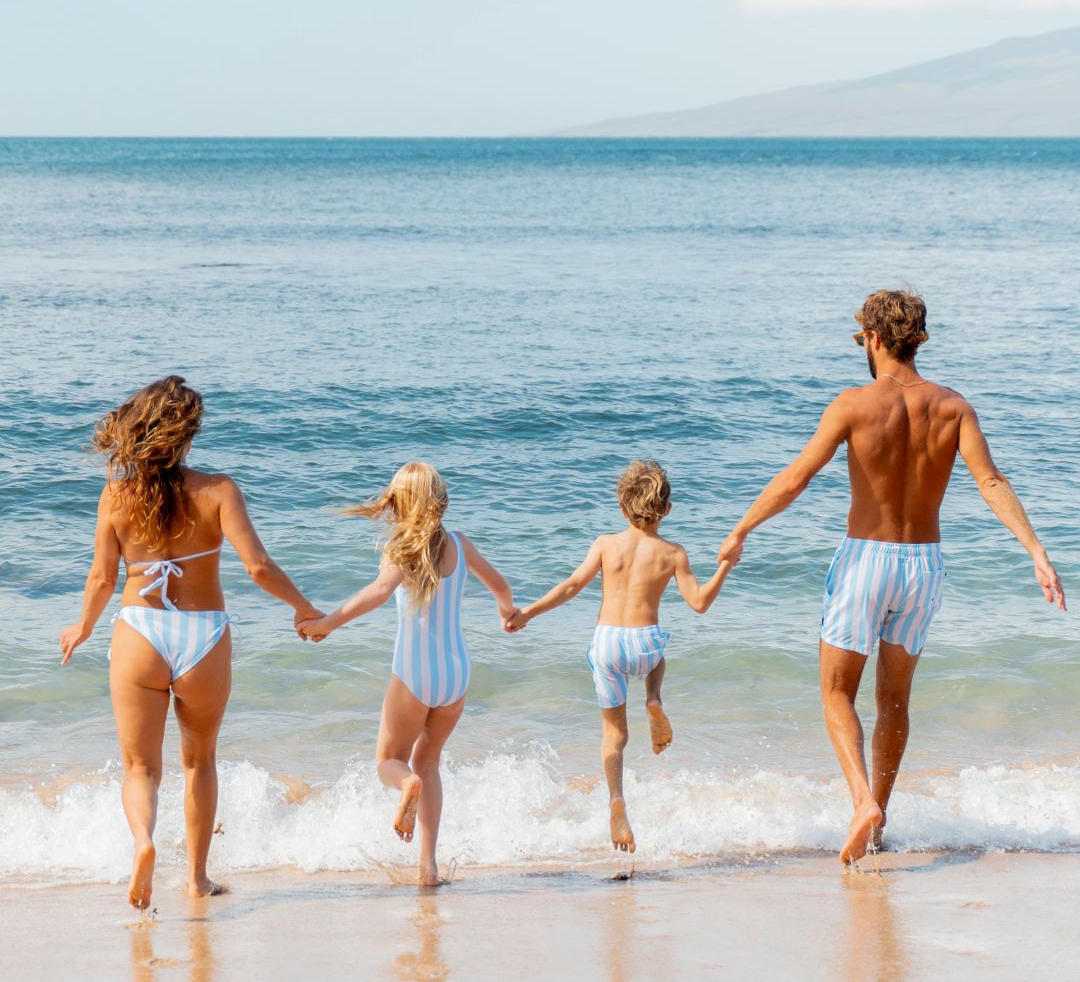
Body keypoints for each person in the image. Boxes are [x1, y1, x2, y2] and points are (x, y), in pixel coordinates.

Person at [718, 290, 1066, 865]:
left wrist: (741, 529)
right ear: (917, 340)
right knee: (895, 701)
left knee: (836, 692)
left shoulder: (853, 404)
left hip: (866, 561)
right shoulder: (953, 407)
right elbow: (992, 483)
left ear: (873, 340)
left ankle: (862, 804)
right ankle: (877, 823)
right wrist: (1036, 551)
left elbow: (795, 479)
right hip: (923, 566)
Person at [60, 376, 321, 909]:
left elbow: (103, 580)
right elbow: (258, 567)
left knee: (140, 768)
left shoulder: (116, 494)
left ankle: (144, 843)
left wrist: (81, 626)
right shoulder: (219, 490)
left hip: (139, 631)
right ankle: (197, 879)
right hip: (203, 636)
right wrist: (304, 608)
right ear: (187, 433)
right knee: (199, 762)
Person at [298, 462, 518, 887]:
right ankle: (428, 867)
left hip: (415, 672)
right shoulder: (460, 544)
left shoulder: (402, 548)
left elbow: (376, 594)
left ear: (400, 502)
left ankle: (406, 786)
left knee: (390, 761)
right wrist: (506, 612)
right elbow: (502, 587)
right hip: (456, 674)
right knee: (430, 761)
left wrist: (327, 622)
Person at [507, 460, 736, 854]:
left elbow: (571, 587)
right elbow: (699, 603)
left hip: (608, 643)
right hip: (644, 642)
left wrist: (527, 612)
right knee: (658, 653)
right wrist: (726, 567)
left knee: (615, 735)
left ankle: (616, 801)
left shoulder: (605, 544)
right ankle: (654, 697)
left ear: (621, 506)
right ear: (666, 508)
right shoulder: (673, 553)